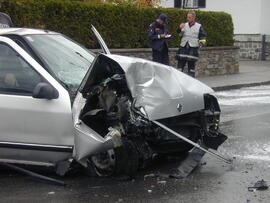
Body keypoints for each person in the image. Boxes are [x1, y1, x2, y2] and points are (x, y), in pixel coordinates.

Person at [176, 11, 206, 78]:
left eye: (189, 17)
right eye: (187, 17)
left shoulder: (199, 26)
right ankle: (179, 79)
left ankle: (191, 80)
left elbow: (202, 36)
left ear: (193, 18)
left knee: (191, 65)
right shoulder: (184, 25)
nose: (187, 18)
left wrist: (201, 43)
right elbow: (179, 35)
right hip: (183, 46)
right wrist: (180, 28)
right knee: (180, 65)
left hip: (193, 47)